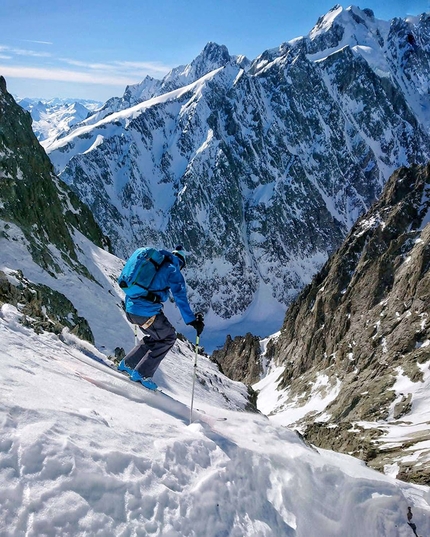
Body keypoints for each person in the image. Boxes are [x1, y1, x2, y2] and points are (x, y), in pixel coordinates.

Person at [118, 245, 204, 390]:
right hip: (147, 313)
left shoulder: (154, 263)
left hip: (131, 310)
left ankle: (128, 364)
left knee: (156, 337)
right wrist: (192, 321)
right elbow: (180, 297)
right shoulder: (173, 269)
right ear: (181, 262)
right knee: (168, 337)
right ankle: (142, 374)